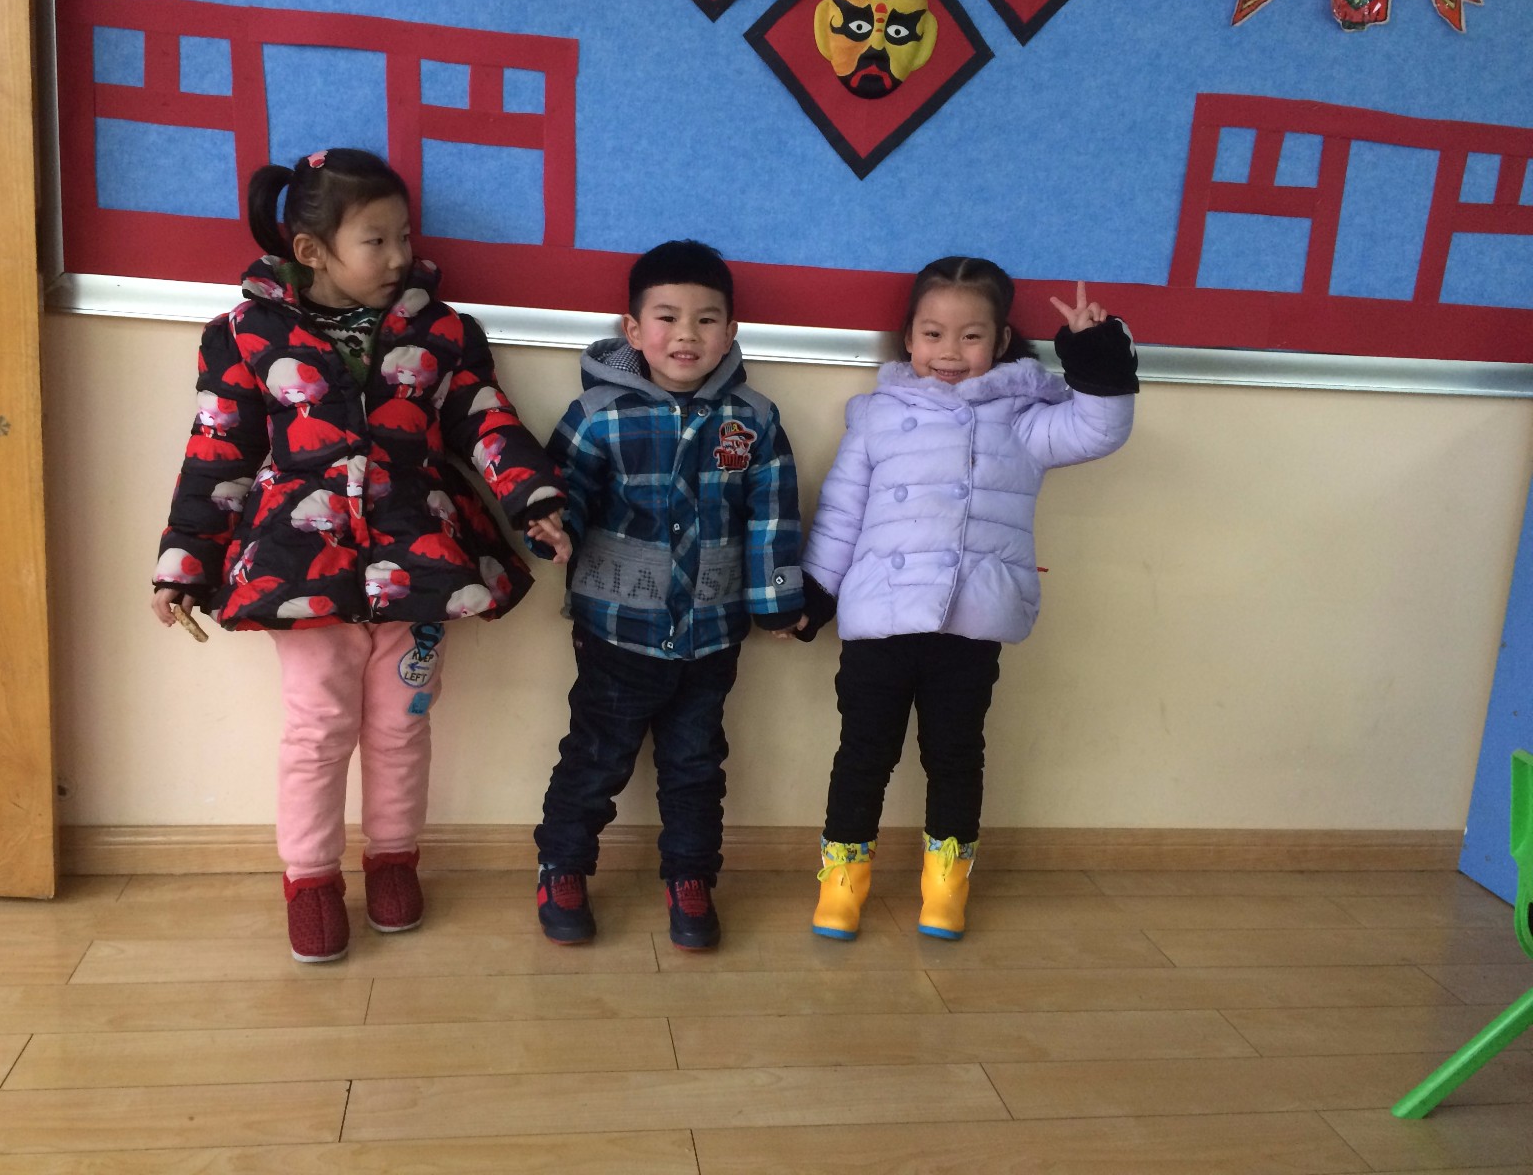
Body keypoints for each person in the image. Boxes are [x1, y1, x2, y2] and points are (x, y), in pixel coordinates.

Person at [150, 148, 569, 963]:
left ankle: (393, 859)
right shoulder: (242, 334)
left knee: (402, 725)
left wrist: (536, 500)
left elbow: (486, 420)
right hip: (297, 569)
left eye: (404, 236)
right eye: (377, 240)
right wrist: (184, 563)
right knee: (317, 730)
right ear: (312, 251)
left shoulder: (443, 331)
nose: (400, 255)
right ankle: (310, 880)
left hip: (422, 561)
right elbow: (216, 451)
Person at [794, 256, 1137, 942]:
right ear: (908, 338)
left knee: (955, 757)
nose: (949, 352)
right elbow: (840, 514)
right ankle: (842, 880)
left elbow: (1100, 428)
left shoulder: (1024, 419)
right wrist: (814, 593)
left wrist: (1095, 351)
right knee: (863, 756)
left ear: (1001, 339)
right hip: (880, 624)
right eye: (932, 334)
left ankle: (946, 884)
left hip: (970, 622)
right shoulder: (878, 417)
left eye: (971, 335)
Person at [530, 239, 805, 950]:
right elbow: (563, 495)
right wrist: (551, 529)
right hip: (616, 631)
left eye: (707, 319)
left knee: (695, 765)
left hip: (712, 636)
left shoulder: (753, 418)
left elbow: (774, 517)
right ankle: (562, 864)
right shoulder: (597, 414)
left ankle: (690, 876)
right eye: (667, 317)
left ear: (731, 331)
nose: (687, 334)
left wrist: (778, 600)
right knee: (596, 756)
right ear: (632, 329)